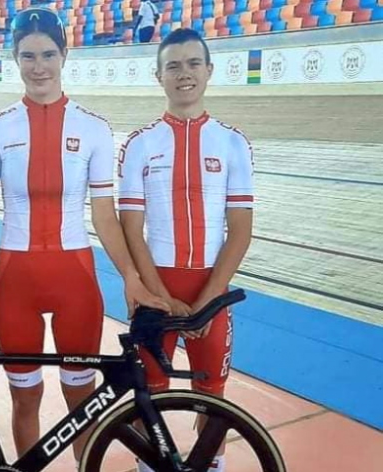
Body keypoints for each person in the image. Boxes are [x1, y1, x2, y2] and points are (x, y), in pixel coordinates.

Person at [0, 7, 167, 466]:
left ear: (64, 55)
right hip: (16, 281)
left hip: (75, 281)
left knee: (81, 397)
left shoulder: (94, 129)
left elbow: (104, 215)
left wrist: (130, 276)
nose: (39, 66)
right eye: (28, 56)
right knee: (25, 398)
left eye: (48, 54)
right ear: (15, 58)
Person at [118, 28, 254, 472]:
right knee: (147, 395)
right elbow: (131, 229)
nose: (184, 73)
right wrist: (160, 296)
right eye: (173, 66)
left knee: (212, 399)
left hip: (209, 289)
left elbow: (240, 229)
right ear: (158, 75)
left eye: (193, 63)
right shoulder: (139, 144)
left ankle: (208, 466)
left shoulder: (233, 142)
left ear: (209, 70)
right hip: (158, 288)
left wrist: (210, 298)